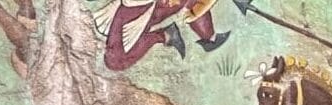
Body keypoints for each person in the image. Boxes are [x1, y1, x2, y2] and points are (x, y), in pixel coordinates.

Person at [92, 0, 230, 72]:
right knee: (115, 60)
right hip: (141, 6)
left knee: (115, 60)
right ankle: (207, 37)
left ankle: (168, 35)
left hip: (148, 6)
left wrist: (196, 13)